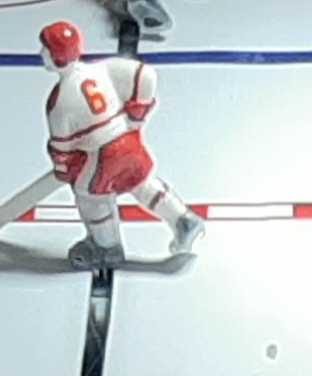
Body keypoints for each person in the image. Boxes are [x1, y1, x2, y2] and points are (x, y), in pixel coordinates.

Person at [39, 19, 201, 270]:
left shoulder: (59, 102)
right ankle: (182, 219)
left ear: (57, 56)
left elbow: (62, 150)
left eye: (46, 49)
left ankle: (107, 247)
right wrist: (136, 117)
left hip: (102, 156)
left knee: (90, 197)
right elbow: (145, 75)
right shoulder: (101, 69)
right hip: (128, 142)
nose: (41, 53)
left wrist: (65, 172)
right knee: (141, 183)